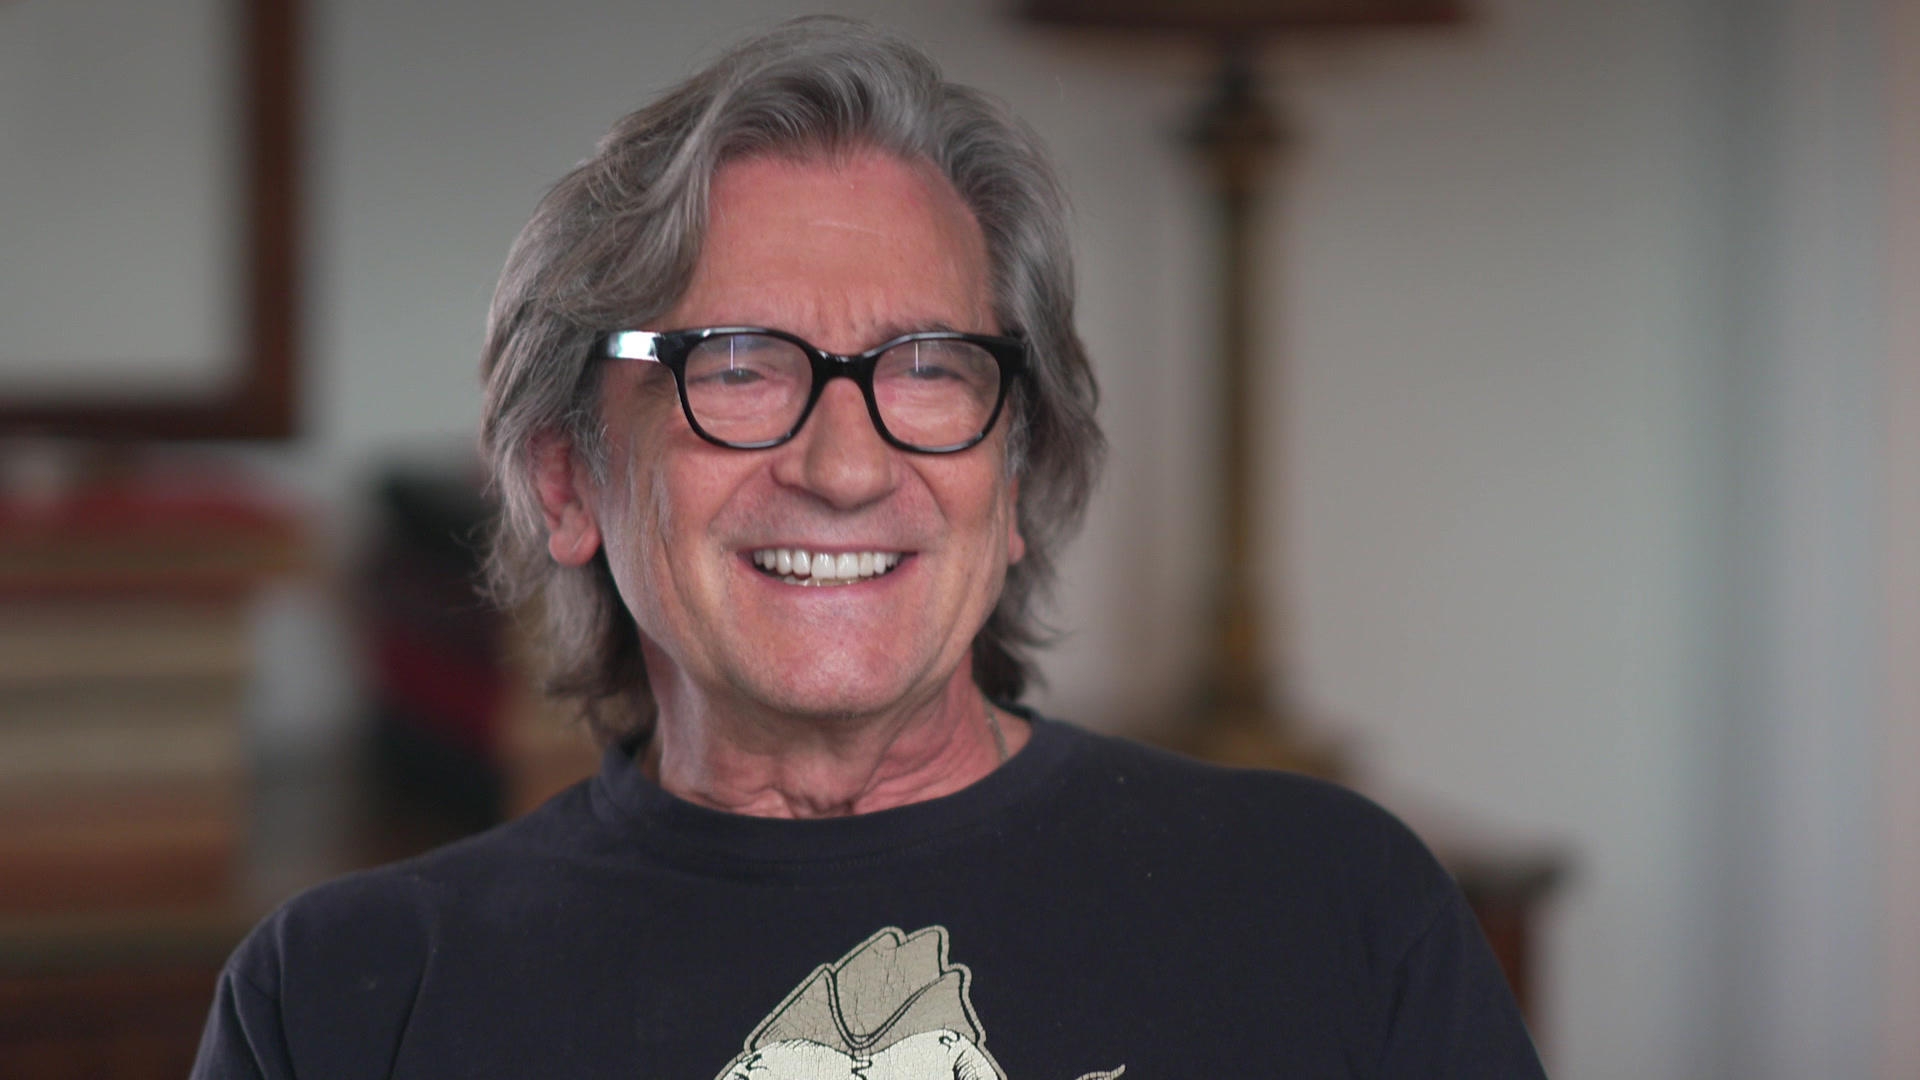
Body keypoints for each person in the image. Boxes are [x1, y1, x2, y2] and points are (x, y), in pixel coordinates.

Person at [193, 17, 1546, 1079]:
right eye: (736, 366)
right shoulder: (346, 999)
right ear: (567, 479)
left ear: (1015, 478)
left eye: (930, 367)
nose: (844, 467)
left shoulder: (1334, 908)